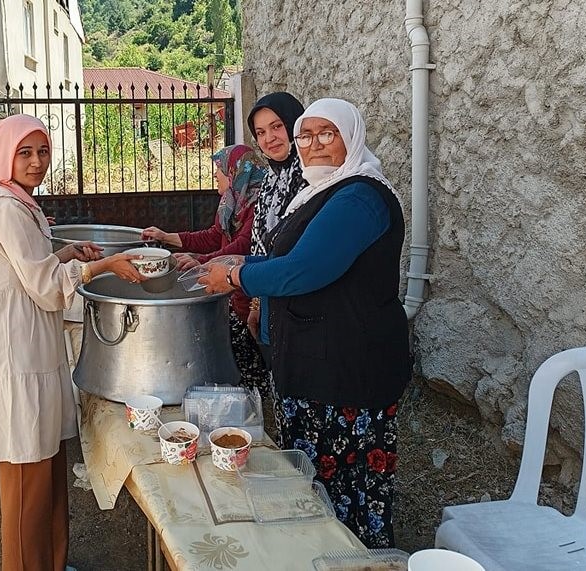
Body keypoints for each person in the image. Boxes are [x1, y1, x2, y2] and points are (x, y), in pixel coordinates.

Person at [199, 98, 411, 548]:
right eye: (306, 136)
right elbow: (283, 258)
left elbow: (304, 270)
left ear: (350, 136)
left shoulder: (360, 196)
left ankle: (353, 556)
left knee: (347, 490)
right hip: (317, 362)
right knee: (314, 483)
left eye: (325, 134)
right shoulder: (319, 189)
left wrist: (236, 275)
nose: (313, 145)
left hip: (348, 369)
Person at [0, 114, 142, 571]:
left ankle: (52, 561)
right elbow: (44, 285)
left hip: (30, 343)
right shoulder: (4, 207)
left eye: (42, 151)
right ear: (5, 155)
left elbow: (28, 265)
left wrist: (67, 251)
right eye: (25, 153)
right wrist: (105, 266)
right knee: (27, 477)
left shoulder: (18, 202)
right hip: (15, 350)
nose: (36, 162)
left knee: (46, 469)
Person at [141, 144, 273, 403]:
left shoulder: (257, 206)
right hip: (230, 293)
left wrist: (200, 262)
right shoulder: (231, 203)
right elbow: (214, 236)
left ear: (235, 173)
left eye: (220, 170)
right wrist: (167, 237)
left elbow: (242, 247)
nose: (216, 175)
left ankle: (256, 411)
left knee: (252, 361)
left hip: (248, 294)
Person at [245, 92, 306, 349]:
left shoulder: (312, 176)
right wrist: (258, 302)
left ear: (295, 125)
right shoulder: (270, 179)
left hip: (303, 298)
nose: (269, 139)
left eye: (277, 127)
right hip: (271, 293)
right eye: (260, 132)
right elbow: (261, 242)